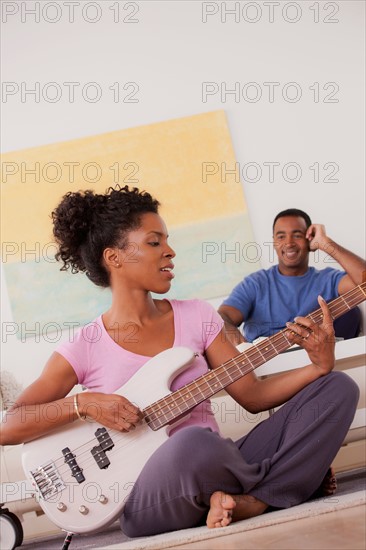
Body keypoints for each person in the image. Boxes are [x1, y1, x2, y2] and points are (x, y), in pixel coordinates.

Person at [0, 188, 359, 537]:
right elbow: (9, 426)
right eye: (155, 242)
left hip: (218, 462)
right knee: (194, 444)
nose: (170, 251)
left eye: (168, 241)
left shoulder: (198, 316)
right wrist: (85, 403)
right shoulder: (85, 345)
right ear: (114, 258)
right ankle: (285, 483)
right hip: (151, 491)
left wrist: (317, 366)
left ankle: (250, 500)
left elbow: (252, 395)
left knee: (337, 388)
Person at [219, 208, 365, 344]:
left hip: (318, 364)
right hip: (267, 366)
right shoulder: (255, 284)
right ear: (274, 242)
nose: (289, 243)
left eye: (297, 235)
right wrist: (240, 343)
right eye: (281, 236)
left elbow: (363, 282)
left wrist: (325, 242)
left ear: (309, 239)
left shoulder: (329, 280)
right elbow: (222, 317)